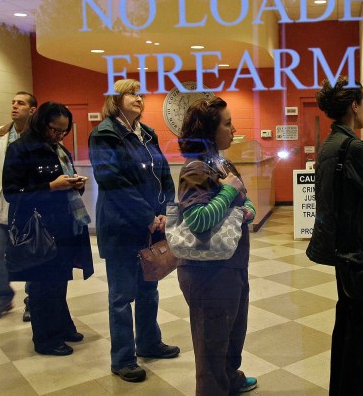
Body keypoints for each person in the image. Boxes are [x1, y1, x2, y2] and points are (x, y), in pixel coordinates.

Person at [306, 76, 363, 395]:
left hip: (340, 247)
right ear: (354, 106)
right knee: (358, 333)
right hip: (358, 250)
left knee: (345, 326)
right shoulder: (353, 147)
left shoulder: (330, 145)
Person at [89, 79, 179, 383]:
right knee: (122, 295)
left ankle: (150, 343)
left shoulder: (147, 133)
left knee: (148, 289)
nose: (138, 97)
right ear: (116, 99)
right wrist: (146, 216)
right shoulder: (103, 135)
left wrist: (164, 211)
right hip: (122, 227)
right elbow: (112, 182)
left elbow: (165, 175)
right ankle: (123, 358)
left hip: (151, 225)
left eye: (140, 93)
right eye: (131, 93)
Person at [175, 96, 258, 395]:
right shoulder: (195, 169)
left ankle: (230, 377)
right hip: (207, 274)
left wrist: (244, 206)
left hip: (230, 265)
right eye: (227, 124)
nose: (234, 129)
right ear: (209, 130)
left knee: (231, 335)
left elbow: (244, 198)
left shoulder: (221, 161)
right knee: (211, 347)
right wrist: (228, 195)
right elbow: (197, 219)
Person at [2, 101, 94, 356]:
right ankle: (45, 339)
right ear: (42, 123)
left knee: (59, 282)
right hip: (37, 229)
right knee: (42, 286)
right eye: (55, 129)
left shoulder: (60, 149)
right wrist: (51, 187)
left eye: (64, 131)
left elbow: (66, 182)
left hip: (63, 225)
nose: (59, 135)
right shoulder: (20, 149)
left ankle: (62, 326)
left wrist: (75, 184)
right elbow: (11, 193)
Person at [0, 91, 36, 323]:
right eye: (12, 102)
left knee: (31, 253)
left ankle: (32, 299)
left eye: (20, 103)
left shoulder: (37, 138)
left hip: (26, 207)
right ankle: (3, 297)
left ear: (32, 110)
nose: (14, 106)